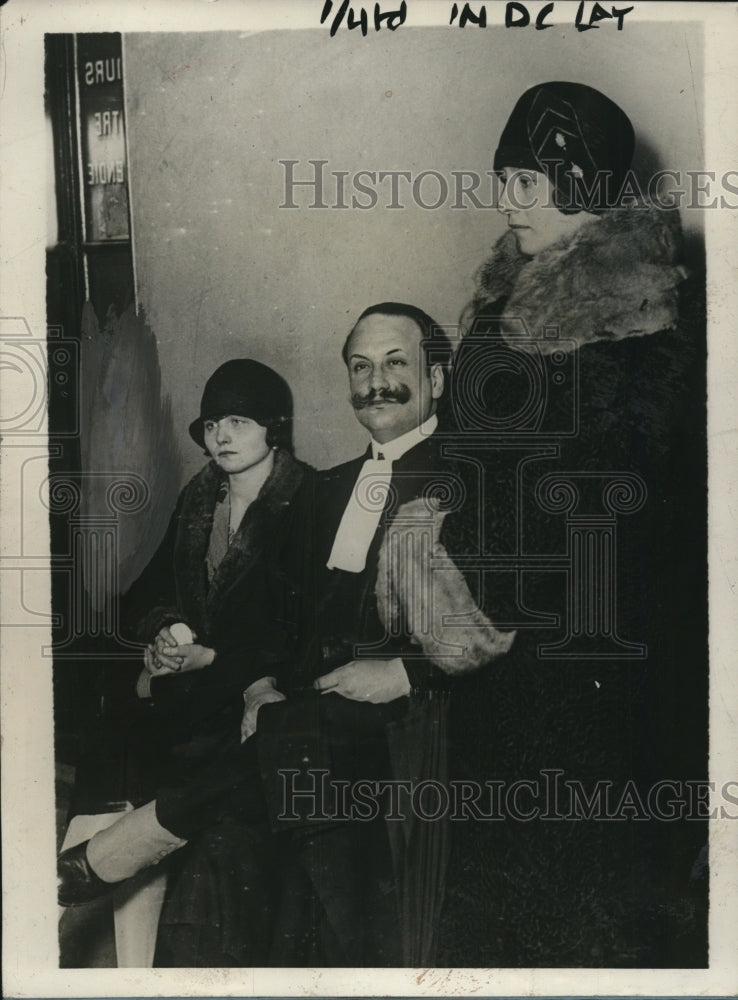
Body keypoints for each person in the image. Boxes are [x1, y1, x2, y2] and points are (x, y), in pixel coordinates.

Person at [60, 303, 516, 966]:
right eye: (361, 367)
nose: (375, 381)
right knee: (246, 753)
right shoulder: (326, 491)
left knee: (283, 742)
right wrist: (258, 687)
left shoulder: (479, 479)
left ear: (438, 380)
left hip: (408, 712)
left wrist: (404, 673)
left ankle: (124, 845)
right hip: (301, 708)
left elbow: (506, 623)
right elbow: (276, 623)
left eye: (395, 363)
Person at [436, 82, 708, 966]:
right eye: (505, 176)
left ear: (588, 186)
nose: (509, 198)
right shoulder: (499, 308)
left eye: (532, 179)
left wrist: (496, 595)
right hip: (493, 667)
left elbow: (620, 516)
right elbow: (465, 471)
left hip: (589, 674)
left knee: (584, 914)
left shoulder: (643, 329)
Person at [58, 358, 317, 965]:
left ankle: (95, 870)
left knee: (145, 727)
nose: (221, 436)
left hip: (254, 685)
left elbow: (298, 631)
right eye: (210, 424)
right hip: (192, 683)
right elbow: (147, 595)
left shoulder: (307, 502)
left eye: (238, 420)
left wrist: (213, 657)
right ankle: (101, 909)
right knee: (114, 718)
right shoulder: (200, 496)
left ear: (273, 427)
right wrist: (164, 633)